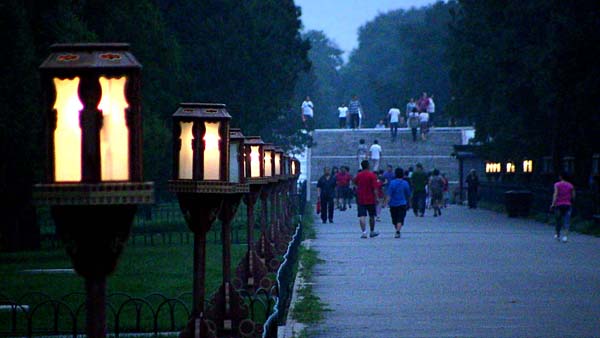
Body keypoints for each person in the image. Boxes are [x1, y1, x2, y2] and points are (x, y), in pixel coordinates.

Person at [354, 160, 379, 238]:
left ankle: (364, 232)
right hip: (370, 198)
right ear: (368, 166)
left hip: (361, 198)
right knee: (372, 215)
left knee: (362, 216)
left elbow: (355, 183)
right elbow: (375, 188)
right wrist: (377, 197)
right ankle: (372, 231)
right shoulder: (372, 175)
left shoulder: (358, 175)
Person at [385, 167, 411, 238]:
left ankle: (397, 230)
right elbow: (408, 194)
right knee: (400, 218)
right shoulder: (405, 183)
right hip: (402, 203)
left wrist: (386, 202)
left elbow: (389, 194)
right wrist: (409, 203)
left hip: (393, 204)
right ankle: (398, 230)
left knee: (395, 219)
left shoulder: (392, 183)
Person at [550, 172, 575, 242]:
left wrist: (553, 204)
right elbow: (573, 196)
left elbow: (555, 194)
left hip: (558, 204)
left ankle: (557, 235)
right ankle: (565, 237)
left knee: (558, 220)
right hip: (567, 204)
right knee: (567, 220)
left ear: (560, 177)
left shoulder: (557, 184)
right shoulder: (570, 185)